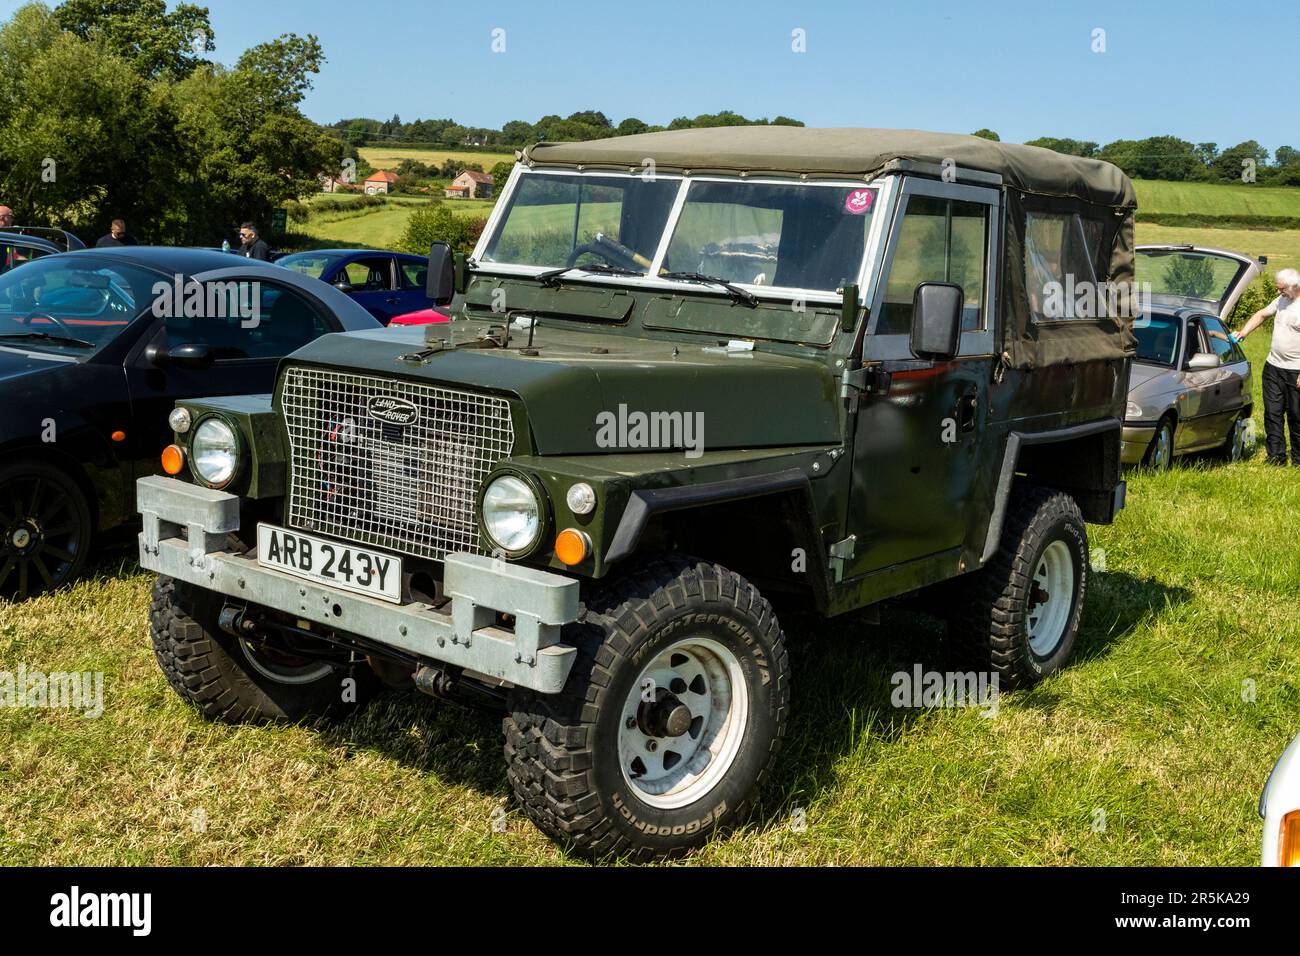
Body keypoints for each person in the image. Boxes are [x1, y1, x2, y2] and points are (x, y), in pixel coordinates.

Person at [1235, 268, 1300, 465]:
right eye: (1278, 288)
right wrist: (1244, 332)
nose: (1279, 292)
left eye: (1282, 289)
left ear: (1294, 287)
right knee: (1272, 412)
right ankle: (1276, 457)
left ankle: (1298, 459)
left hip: (1296, 370)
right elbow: (1262, 314)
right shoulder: (1282, 300)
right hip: (1273, 366)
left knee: (1297, 415)